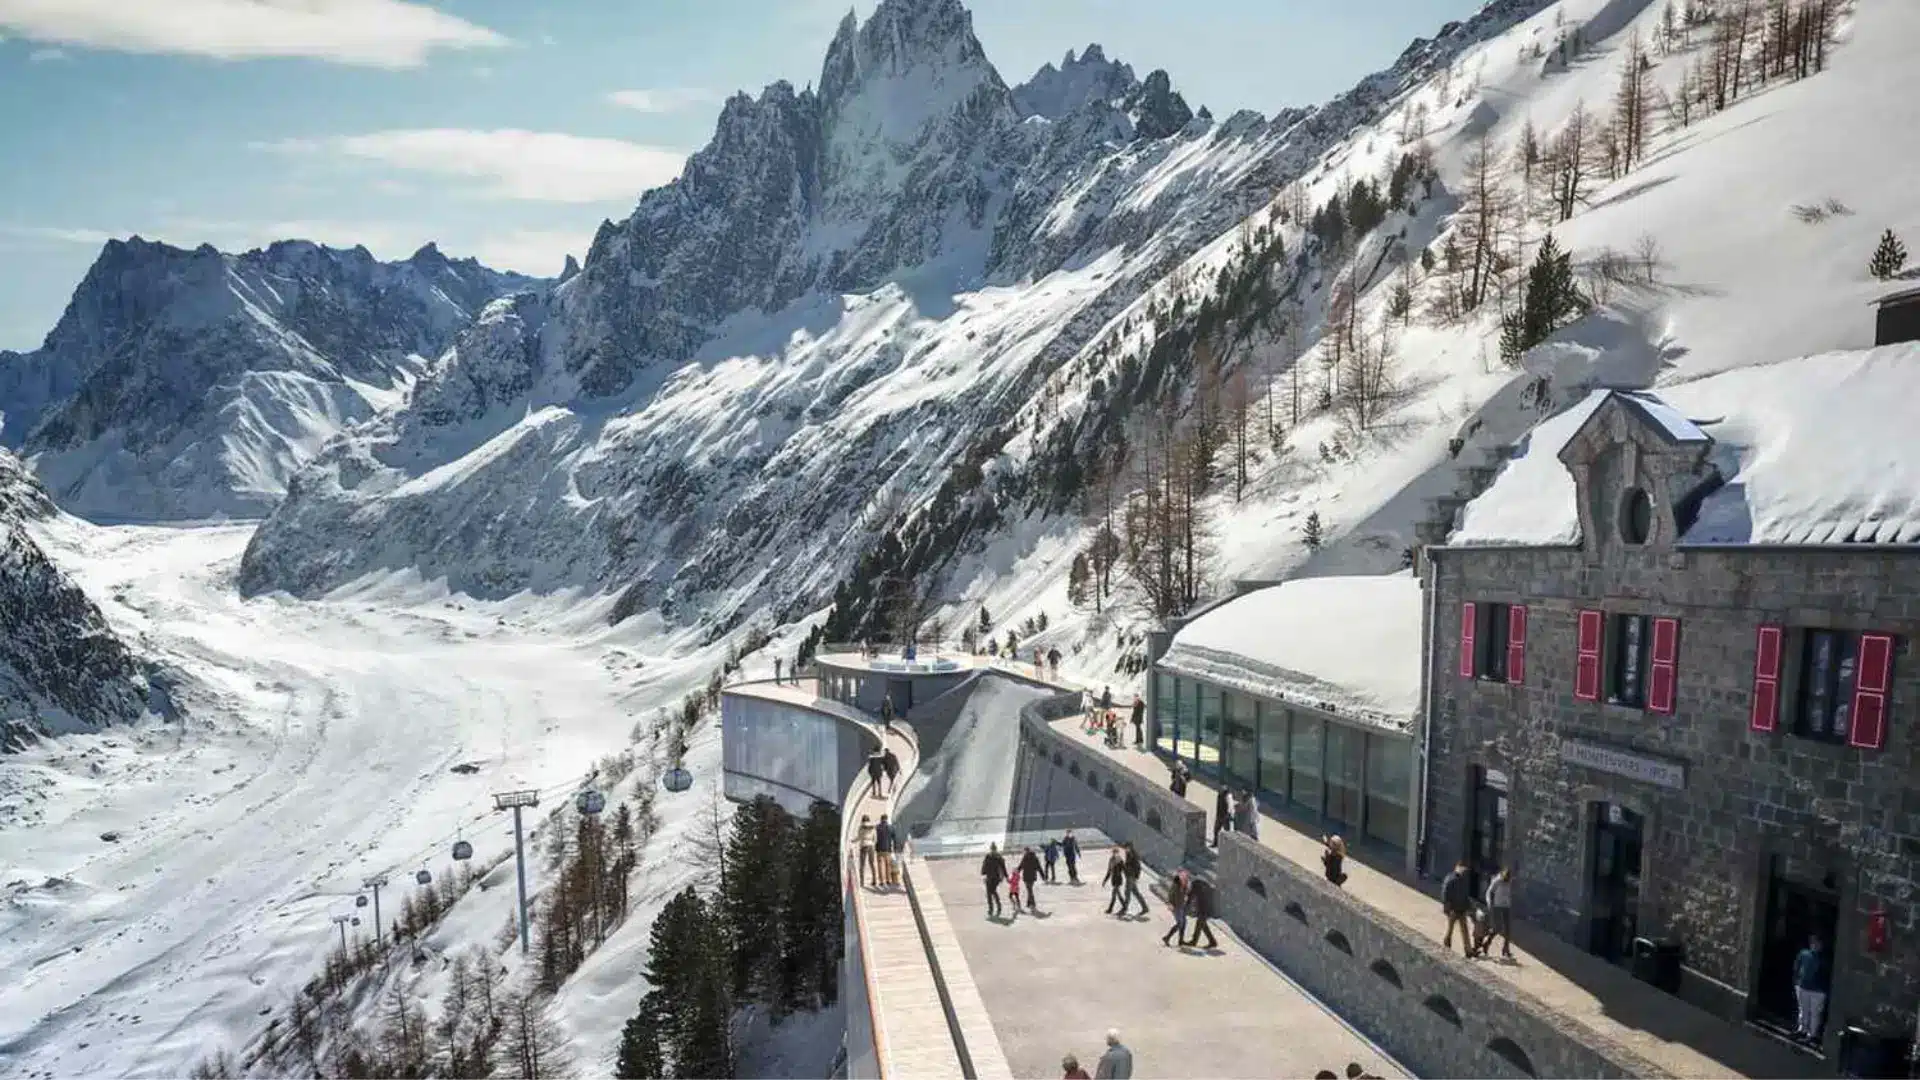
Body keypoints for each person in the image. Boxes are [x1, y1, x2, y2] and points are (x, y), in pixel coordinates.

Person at [1793, 934, 1830, 1044]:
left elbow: (1826, 975)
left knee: (1814, 1013)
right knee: (1803, 1010)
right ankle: (1802, 1030)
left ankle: (1812, 1035)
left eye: (1818, 943)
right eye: (1813, 943)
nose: (1815, 945)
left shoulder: (1824, 959)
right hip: (1803, 987)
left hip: (1818, 990)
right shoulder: (1804, 954)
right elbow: (1797, 967)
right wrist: (1797, 982)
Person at [1441, 861, 1472, 952]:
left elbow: (1465, 895)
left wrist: (1468, 906)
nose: (1464, 873)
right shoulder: (1451, 879)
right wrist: (1446, 906)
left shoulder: (1463, 880)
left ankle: (1468, 950)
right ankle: (1447, 941)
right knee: (1451, 928)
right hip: (1453, 908)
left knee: (1464, 929)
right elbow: (1445, 893)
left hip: (1461, 908)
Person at [1484, 867, 1514, 959]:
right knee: (1497, 928)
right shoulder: (1497, 881)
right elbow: (1489, 892)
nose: (1507, 881)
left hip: (1506, 906)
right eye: (1506, 879)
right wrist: (1490, 904)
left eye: (1508, 879)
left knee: (1508, 929)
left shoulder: (1509, 881)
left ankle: (1506, 949)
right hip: (1497, 906)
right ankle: (1487, 943)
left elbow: (1508, 893)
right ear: (1503, 876)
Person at [1183, 873, 1218, 949]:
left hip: (1204, 907)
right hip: (1208, 906)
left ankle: (1194, 942)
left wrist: (1185, 908)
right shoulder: (1203, 884)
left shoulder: (1195, 884)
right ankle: (1212, 941)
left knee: (1200, 924)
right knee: (1202, 924)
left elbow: (1190, 896)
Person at [1162, 868, 1190, 947]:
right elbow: (1170, 895)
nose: (1186, 880)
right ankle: (1167, 937)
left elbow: (1186, 893)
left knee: (1184, 923)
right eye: (1185, 878)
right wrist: (1169, 904)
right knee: (1180, 923)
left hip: (1182, 906)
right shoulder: (1175, 885)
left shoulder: (1184, 885)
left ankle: (1180, 941)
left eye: (1186, 878)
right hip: (1176, 906)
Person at [980, 843, 1009, 918]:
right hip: (989, 876)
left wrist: (1006, 876)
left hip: (996, 878)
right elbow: (984, 865)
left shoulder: (998, 857)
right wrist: (983, 872)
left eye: (993, 849)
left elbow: (1003, 867)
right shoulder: (988, 856)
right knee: (989, 893)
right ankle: (991, 908)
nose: (992, 850)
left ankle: (997, 906)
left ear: (995, 849)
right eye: (992, 849)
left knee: (992, 891)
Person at [1120, 842, 1147, 916]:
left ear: (1129, 847)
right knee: (1136, 893)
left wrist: (1136, 877)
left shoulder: (1133, 855)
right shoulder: (1129, 854)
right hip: (1129, 876)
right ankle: (1145, 907)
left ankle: (1124, 909)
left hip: (1131, 877)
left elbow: (1138, 867)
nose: (1125, 849)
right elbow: (1128, 866)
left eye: (1126, 848)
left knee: (1127, 893)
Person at [1101, 848, 1128, 915]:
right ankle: (1125, 907)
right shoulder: (1111, 860)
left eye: (1116, 852)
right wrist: (1105, 880)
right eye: (1114, 852)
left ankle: (1110, 909)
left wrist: (1128, 877)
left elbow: (1124, 870)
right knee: (1118, 895)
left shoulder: (1120, 861)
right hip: (1113, 880)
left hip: (1118, 880)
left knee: (1114, 895)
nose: (1115, 854)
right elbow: (1109, 871)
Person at [1018, 846, 1044, 912]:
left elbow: (1021, 866)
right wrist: (1043, 876)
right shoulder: (1035, 858)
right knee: (1029, 889)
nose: (1023, 852)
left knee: (1029, 890)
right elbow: (1039, 867)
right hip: (1032, 876)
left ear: (1026, 851)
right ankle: (1029, 903)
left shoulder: (1025, 857)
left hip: (1026, 876)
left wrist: (1017, 872)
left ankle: (1033, 903)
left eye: (1024, 851)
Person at [874, 814, 897, 887]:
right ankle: (888, 880)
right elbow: (894, 838)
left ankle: (881, 881)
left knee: (880, 865)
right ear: (887, 819)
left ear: (881, 819)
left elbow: (874, 838)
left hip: (879, 849)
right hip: (887, 849)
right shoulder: (891, 828)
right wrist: (895, 847)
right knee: (888, 865)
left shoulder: (877, 827)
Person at [856, 814, 877, 886]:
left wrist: (853, 841)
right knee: (872, 863)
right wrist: (873, 843)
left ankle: (862, 882)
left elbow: (859, 837)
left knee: (862, 864)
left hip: (864, 845)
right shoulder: (873, 827)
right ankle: (874, 880)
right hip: (871, 845)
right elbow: (875, 838)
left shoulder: (861, 827)